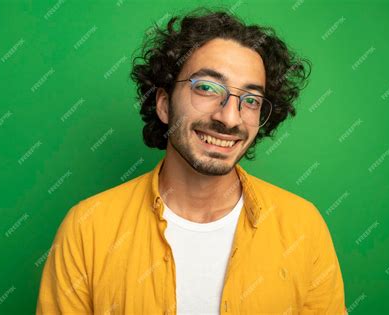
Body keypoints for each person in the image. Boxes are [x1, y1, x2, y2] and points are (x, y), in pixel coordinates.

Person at [37, 8, 346, 315]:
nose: (228, 117)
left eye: (250, 100)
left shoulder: (303, 227)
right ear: (163, 104)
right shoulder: (87, 228)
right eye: (207, 88)